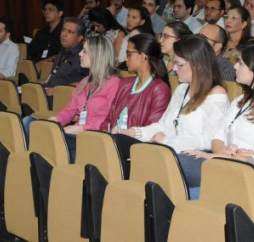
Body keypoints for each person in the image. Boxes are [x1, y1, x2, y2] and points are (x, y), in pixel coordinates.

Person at [119, 35, 229, 188]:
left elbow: (207, 140)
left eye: (179, 64)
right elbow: (164, 125)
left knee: (149, 164)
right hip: (170, 151)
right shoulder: (182, 89)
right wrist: (134, 132)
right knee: (119, 143)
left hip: (196, 157)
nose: (174, 68)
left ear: (197, 64)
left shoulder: (216, 93)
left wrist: (167, 143)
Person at [183, 45, 254, 186]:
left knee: (177, 167)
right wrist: (222, 152)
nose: (234, 67)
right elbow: (218, 136)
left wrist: (218, 156)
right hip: (226, 164)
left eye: (240, 63)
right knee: (173, 163)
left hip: (245, 173)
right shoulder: (240, 101)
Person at [49, 34, 120, 134]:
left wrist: (82, 128)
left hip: (96, 137)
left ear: (97, 55)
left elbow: (110, 120)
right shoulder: (84, 82)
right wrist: (55, 120)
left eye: (85, 51)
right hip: (78, 133)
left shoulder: (114, 83)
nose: (80, 54)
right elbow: (70, 110)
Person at [104, 34, 171, 131]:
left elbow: (150, 130)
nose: (126, 58)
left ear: (143, 56)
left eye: (129, 53)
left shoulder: (160, 89)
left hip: (135, 143)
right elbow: (108, 120)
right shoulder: (124, 84)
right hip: (112, 139)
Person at [43, 18, 89, 94]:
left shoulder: (83, 56)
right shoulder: (62, 51)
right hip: (47, 91)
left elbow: (88, 82)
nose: (64, 34)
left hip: (63, 98)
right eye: (63, 30)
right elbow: (54, 76)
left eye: (70, 32)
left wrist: (57, 91)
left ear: (79, 38)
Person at [28, 0, 64, 71]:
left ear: (60, 13)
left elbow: (65, 54)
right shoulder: (41, 32)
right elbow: (31, 51)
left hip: (54, 68)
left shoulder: (65, 32)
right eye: (45, 10)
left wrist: (43, 63)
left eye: (50, 9)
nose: (46, 12)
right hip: (35, 66)